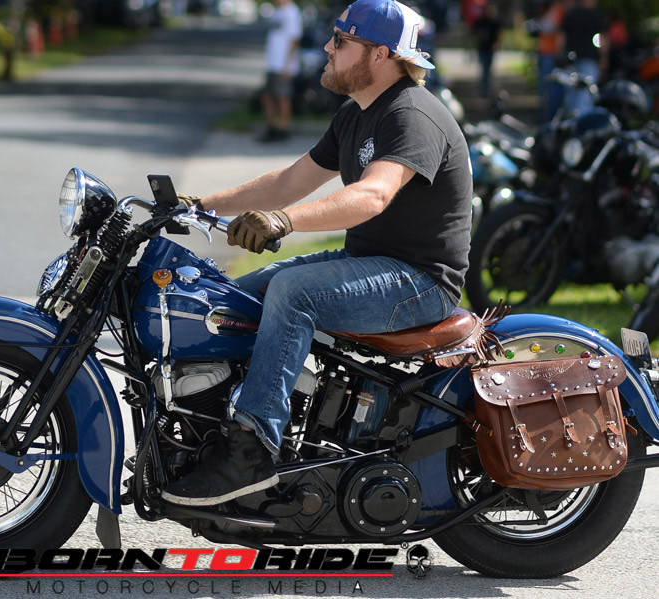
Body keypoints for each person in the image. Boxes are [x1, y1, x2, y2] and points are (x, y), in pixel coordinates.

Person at [163, 0, 473, 507]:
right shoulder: (357, 113)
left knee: (292, 292)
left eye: (341, 40)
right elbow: (289, 181)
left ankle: (251, 451)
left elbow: (373, 195)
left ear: (379, 54)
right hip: (370, 264)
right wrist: (198, 206)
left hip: (420, 282)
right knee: (230, 298)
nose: (327, 47)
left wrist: (283, 221)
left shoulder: (411, 115)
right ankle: (215, 423)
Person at [258, 0, 303, 142]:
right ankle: (271, 127)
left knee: (282, 96)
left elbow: (294, 40)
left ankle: (284, 128)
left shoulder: (292, 12)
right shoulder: (278, 11)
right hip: (273, 63)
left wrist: (288, 66)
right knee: (268, 96)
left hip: (283, 65)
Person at [557, 0, 608, 114]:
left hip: (570, 60)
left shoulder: (570, 15)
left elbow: (562, 38)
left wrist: (560, 55)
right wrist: (603, 57)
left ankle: (572, 119)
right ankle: (581, 120)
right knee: (586, 95)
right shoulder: (596, 16)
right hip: (589, 59)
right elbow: (601, 38)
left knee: (571, 94)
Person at [535, 0, 567, 122]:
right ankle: (546, 115)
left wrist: (539, 24)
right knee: (546, 87)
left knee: (550, 87)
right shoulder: (551, 11)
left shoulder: (557, 10)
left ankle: (549, 117)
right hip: (546, 53)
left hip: (551, 54)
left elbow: (549, 27)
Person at [472, 2, 502, 98]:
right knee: (484, 68)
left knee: (489, 69)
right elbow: (475, 33)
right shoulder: (480, 21)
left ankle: (487, 88)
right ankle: (484, 89)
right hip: (482, 48)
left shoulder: (495, 22)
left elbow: (499, 34)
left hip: (490, 49)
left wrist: (497, 44)